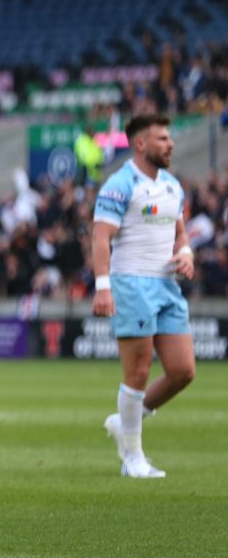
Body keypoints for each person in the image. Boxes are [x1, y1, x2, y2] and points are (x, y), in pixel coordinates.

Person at [92, 113, 195, 478]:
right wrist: (103, 286)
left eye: (170, 137)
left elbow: (180, 233)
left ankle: (126, 421)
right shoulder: (120, 184)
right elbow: (101, 237)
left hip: (166, 285)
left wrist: (186, 254)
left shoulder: (172, 186)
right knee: (137, 371)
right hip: (131, 283)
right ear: (140, 144)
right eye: (163, 138)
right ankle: (132, 458)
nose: (170, 144)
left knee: (183, 371)